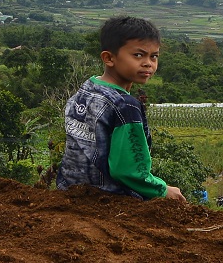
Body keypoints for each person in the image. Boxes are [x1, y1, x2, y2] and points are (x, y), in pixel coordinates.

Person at [57, 15, 186, 202]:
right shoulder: (125, 106)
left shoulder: (86, 90)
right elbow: (127, 171)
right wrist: (163, 190)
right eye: (138, 55)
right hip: (108, 199)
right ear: (109, 58)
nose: (148, 63)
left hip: (68, 191)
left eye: (154, 56)